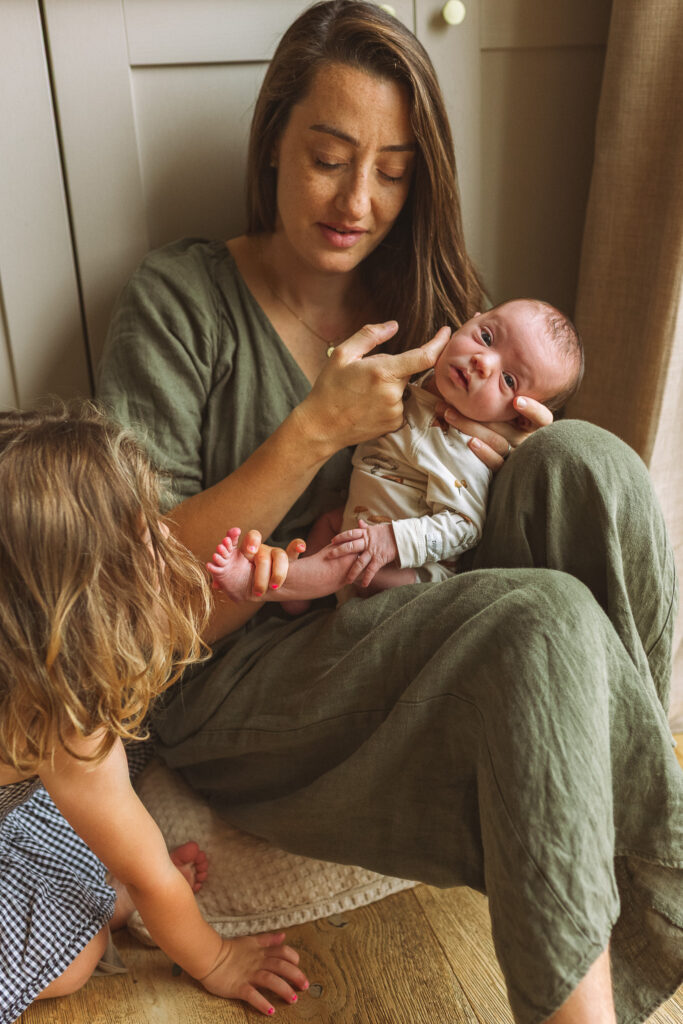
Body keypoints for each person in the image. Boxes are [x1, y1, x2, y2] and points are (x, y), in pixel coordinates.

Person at [96, 2, 682, 1022]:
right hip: (244, 671)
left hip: (415, 598)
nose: (356, 200)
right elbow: (142, 612)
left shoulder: (425, 294)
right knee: (543, 621)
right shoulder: (178, 300)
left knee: (591, 464)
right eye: (326, 156)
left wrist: (518, 444)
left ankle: (620, 863)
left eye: (393, 170)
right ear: (273, 137)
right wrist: (309, 435)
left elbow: (479, 499)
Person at [0, 402, 308, 1022]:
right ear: (87, 601)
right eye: (148, 532)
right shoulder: (67, 726)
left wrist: (245, 592)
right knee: (75, 956)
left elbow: (167, 632)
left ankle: (99, 879)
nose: (171, 535)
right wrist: (217, 959)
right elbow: (153, 880)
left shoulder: (32, 656)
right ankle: (101, 893)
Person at [206, 298, 584, 605]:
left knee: (349, 559)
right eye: (486, 336)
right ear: (472, 318)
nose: (483, 362)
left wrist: (391, 542)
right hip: (359, 525)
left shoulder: (470, 451)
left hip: (410, 572)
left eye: (508, 379)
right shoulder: (415, 386)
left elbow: (465, 528)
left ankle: (257, 585)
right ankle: (300, 597)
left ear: (520, 417)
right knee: (328, 525)